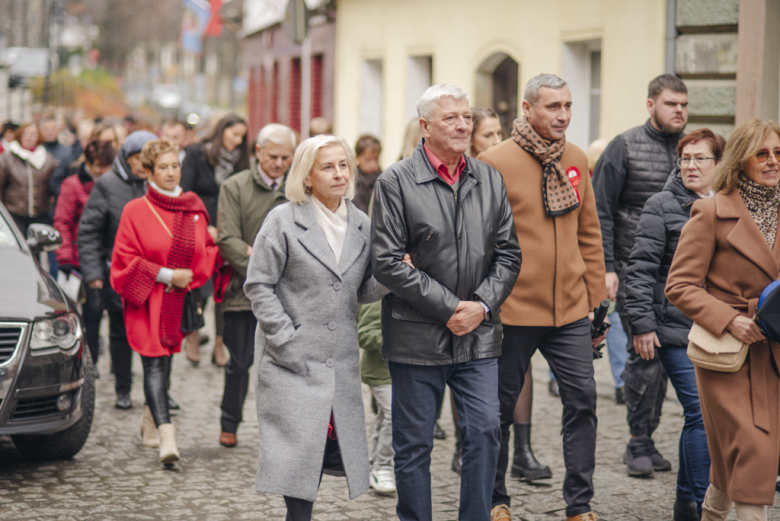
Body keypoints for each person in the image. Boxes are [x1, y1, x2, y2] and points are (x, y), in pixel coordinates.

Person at [371, 84, 521, 521]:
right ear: (425, 126)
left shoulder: (488, 177)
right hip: (416, 338)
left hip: (479, 336)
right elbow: (386, 263)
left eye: (466, 117)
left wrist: (481, 306)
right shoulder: (395, 181)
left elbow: (509, 254)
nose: (462, 125)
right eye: (450, 118)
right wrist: (450, 307)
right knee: (414, 443)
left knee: (485, 433)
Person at [478, 74, 607, 521]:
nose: (564, 115)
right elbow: (481, 243)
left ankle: (579, 505)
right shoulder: (493, 161)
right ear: (528, 109)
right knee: (499, 410)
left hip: (570, 308)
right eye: (553, 107)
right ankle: (495, 498)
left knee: (583, 401)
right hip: (512, 310)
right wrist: (487, 301)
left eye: (568, 105)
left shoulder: (574, 158)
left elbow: (588, 233)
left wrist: (595, 303)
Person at [244, 134, 389, 521]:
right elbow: (258, 284)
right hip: (290, 360)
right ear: (307, 177)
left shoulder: (360, 223)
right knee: (298, 458)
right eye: (328, 167)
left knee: (323, 452)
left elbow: (365, 291)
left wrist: (395, 271)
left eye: (343, 165)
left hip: (338, 361)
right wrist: (284, 338)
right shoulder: (283, 220)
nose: (339, 173)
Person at [666, 119, 780, 521]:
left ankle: (711, 513)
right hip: (729, 355)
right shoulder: (711, 210)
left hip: (776, 355)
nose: (772, 161)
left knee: (733, 464)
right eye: (762, 153)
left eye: (778, 153)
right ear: (740, 159)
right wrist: (730, 319)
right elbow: (679, 285)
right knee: (753, 449)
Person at [110, 138, 229, 466]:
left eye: (174, 165)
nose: (171, 172)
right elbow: (123, 259)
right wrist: (165, 275)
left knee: (167, 360)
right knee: (152, 362)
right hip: (148, 297)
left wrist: (217, 251)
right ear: (147, 172)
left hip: (180, 299)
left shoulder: (193, 207)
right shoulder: (135, 210)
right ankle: (167, 432)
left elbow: (205, 252)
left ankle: (150, 419)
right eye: (162, 167)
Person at [593, 74, 688, 477]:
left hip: (681, 277)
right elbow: (600, 211)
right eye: (671, 104)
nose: (679, 111)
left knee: (668, 358)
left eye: (684, 104)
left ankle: (648, 439)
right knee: (643, 355)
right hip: (637, 272)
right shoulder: (624, 146)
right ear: (651, 105)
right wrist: (608, 268)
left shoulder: (693, 149)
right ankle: (638, 442)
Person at [625, 128, 723, 520]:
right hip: (672, 328)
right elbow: (641, 268)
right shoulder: (662, 204)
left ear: (720, 164)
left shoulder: (732, 204)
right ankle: (700, 504)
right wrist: (642, 324)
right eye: (685, 158)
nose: (691, 166)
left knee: (702, 415)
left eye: (701, 158)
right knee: (701, 412)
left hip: (717, 327)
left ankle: (684, 501)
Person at [216, 123, 295, 448]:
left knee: (285, 365)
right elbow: (228, 239)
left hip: (289, 296)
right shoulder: (234, 186)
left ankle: (282, 429)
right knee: (239, 363)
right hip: (242, 292)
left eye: (285, 157)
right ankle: (229, 422)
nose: (278, 163)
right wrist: (265, 270)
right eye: (273, 156)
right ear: (258, 152)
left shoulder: (298, 187)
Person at [78, 130, 158, 410]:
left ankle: (159, 392)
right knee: (120, 333)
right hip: (120, 271)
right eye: (136, 158)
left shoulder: (159, 184)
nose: (141, 164)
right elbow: (88, 231)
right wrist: (94, 273)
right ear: (126, 157)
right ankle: (123, 389)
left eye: (147, 159)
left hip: (156, 274)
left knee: (157, 335)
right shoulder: (108, 184)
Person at [181, 113, 249, 368]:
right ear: (222, 132)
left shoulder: (241, 163)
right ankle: (194, 334)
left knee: (224, 286)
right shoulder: (197, 153)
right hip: (200, 228)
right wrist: (203, 226)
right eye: (233, 135)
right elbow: (186, 192)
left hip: (228, 229)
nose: (237, 141)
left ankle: (220, 342)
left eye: (241, 137)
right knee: (199, 284)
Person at [54, 139, 116, 373]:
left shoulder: (113, 184)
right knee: (91, 312)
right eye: (98, 167)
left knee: (114, 313)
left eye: (106, 167)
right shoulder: (72, 185)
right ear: (88, 163)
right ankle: (90, 362)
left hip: (110, 257)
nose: (102, 172)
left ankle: (115, 362)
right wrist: (65, 257)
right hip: (83, 258)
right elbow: (63, 221)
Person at [587, 137, 627, 402]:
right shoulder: (580, 181)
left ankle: (623, 380)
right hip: (596, 264)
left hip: (606, 263)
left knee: (610, 321)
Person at [0, 123, 59, 235]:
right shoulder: (7, 159)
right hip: (14, 214)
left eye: (33, 134)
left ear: (38, 137)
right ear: (19, 136)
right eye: (25, 134)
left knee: (36, 249)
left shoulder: (48, 159)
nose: (29, 137)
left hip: (41, 214)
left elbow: (54, 184)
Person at [352, 135, 381, 214]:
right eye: (367, 159)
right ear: (357, 157)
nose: (373, 164)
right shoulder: (351, 180)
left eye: (376, 159)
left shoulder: (383, 179)